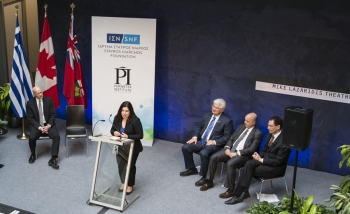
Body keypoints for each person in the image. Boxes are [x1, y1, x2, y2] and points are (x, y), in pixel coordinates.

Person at [224, 115, 291, 205]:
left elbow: (278, 162)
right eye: (268, 125)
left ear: (278, 127)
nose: (268, 128)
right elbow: (264, 151)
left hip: (275, 168)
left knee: (246, 170)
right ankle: (243, 193)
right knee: (248, 164)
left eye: (270, 126)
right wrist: (258, 155)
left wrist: (261, 160)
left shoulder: (285, 142)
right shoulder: (270, 135)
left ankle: (239, 195)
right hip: (265, 161)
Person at [199, 113, 263, 197]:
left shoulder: (258, 133)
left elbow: (252, 149)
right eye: (245, 120)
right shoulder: (241, 127)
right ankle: (209, 181)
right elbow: (231, 138)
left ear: (253, 122)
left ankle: (230, 189)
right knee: (214, 157)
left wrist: (236, 153)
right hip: (231, 150)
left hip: (243, 155)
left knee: (231, 163)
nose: (245, 122)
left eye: (247, 121)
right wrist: (227, 148)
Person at [180, 98, 233, 187]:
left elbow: (227, 137)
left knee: (204, 153)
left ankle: (205, 176)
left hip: (214, 145)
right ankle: (192, 169)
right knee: (186, 147)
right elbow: (199, 126)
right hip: (202, 141)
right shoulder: (207, 115)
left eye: (217, 108)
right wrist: (195, 136)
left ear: (222, 110)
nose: (214, 109)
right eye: (213, 106)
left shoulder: (227, 121)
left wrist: (214, 141)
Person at [110, 101, 143, 195]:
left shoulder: (135, 120)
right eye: (122, 110)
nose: (124, 113)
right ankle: (124, 182)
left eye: (126, 111)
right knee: (121, 165)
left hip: (132, 148)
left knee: (130, 166)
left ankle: (130, 185)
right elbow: (112, 130)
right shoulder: (117, 118)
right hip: (120, 147)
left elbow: (140, 135)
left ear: (130, 111)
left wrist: (128, 136)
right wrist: (114, 133)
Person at [26, 86, 60, 169]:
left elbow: (52, 115)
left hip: (48, 124)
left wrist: (48, 126)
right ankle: (33, 154)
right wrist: (40, 127)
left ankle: (53, 158)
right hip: (37, 125)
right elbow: (30, 118)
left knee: (56, 136)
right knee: (32, 137)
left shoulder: (49, 100)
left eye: (41, 92)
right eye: (38, 93)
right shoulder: (30, 103)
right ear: (34, 94)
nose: (41, 94)